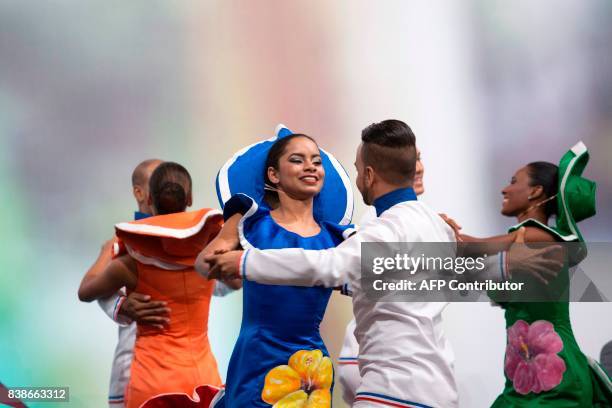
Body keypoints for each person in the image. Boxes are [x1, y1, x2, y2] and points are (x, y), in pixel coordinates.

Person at [205, 120, 564, 407]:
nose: (314, 168)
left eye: (359, 168)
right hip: (438, 390)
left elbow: (326, 267)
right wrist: (507, 267)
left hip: (390, 392)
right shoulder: (434, 226)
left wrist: (246, 262)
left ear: (369, 176)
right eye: (298, 160)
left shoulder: (379, 233)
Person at [198, 128, 354, 407]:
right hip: (255, 363)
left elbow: (387, 278)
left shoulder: (337, 239)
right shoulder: (251, 224)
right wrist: (223, 255)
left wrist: (438, 237)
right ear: (273, 175)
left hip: (311, 372)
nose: (310, 167)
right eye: (297, 160)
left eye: (316, 162)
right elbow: (203, 265)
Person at [452, 142, 611, 406]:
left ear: (535, 192)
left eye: (514, 182)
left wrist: (435, 225)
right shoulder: (525, 241)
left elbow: (469, 248)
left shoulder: (536, 237)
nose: (505, 188)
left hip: (557, 383)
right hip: (524, 383)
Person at [79, 162, 225, 408]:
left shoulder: (126, 255)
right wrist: (119, 305)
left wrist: (107, 251)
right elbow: (231, 278)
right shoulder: (208, 249)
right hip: (200, 376)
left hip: (151, 379)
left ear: (150, 197)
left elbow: (87, 290)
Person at [337, 148, 425, 405]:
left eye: (419, 159)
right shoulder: (379, 219)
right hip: (377, 362)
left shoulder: (414, 218)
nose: (417, 168)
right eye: (410, 161)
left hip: (388, 362)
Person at [85, 159, 173, 407]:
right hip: (135, 364)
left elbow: (221, 284)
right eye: (160, 181)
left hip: (188, 367)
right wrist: (120, 305)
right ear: (139, 192)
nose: (169, 188)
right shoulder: (123, 240)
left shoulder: (195, 238)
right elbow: (94, 286)